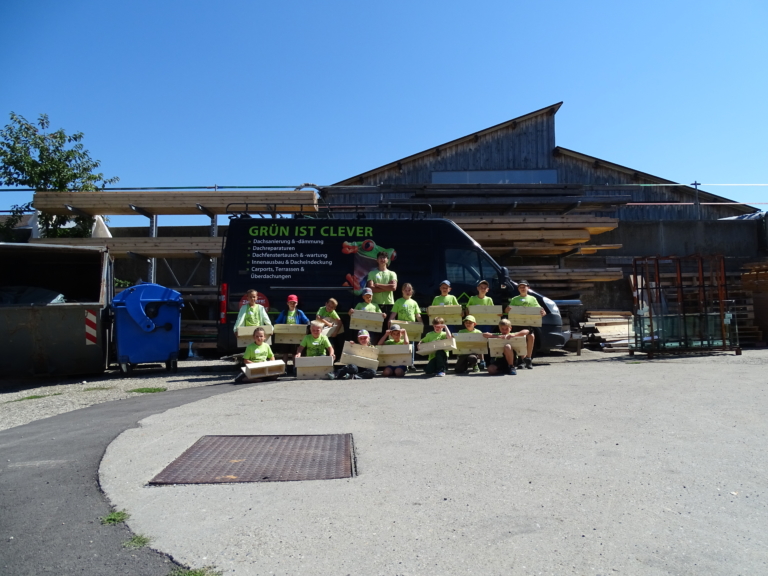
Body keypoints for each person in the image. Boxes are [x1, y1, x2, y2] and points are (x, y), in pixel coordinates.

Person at [503, 280, 546, 369]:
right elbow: (508, 311)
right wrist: (506, 310)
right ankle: (522, 360)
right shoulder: (515, 299)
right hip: (517, 324)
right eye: (520, 287)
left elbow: (538, 310)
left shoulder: (532, 299)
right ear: (518, 289)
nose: (522, 288)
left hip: (528, 324)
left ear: (528, 288)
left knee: (531, 337)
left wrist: (542, 312)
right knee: (520, 340)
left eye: (524, 287)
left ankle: (528, 358)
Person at [274, 294, 310, 371]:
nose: (292, 304)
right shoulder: (284, 312)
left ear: (296, 303)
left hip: (295, 335)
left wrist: (306, 327)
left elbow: (306, 321)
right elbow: (277, 321)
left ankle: (295, 367)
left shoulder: (299, 312)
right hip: (285, 335)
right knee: (285, 352)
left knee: (294, 352)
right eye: (291, 303)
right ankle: (284, 368)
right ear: (287, 303)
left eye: (294, 303)